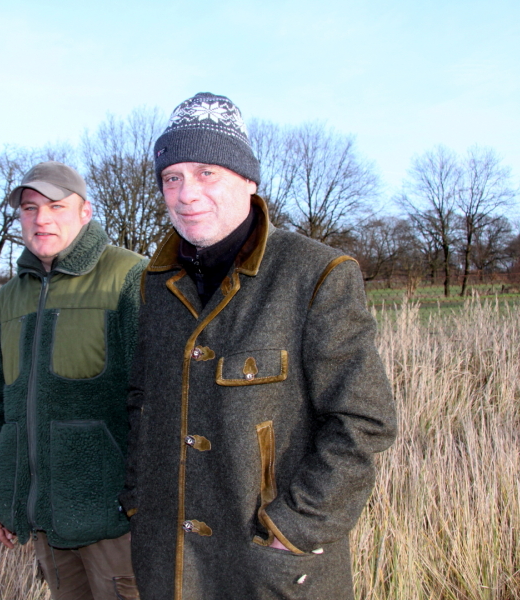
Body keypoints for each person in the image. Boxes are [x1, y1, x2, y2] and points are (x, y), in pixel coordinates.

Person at [121, 92, 397, 600]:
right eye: (172, 177)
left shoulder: (316, 274)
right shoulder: (155, 284)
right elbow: (141, 402)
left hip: (271, 569)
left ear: (249, 180)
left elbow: (364, 420)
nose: (186, 193)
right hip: (169, 566)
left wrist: (296, 526)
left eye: (207, 172)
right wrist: (138, 501)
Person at [0, 161, 146, 600]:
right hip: (46, 520)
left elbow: (155, 400)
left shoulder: (129, 277)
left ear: (85, 211)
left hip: (114, 520)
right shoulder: (10, 297)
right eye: (30, 208)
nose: (42, 219)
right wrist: (0, 491)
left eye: (56, 206)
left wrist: (142, 501)